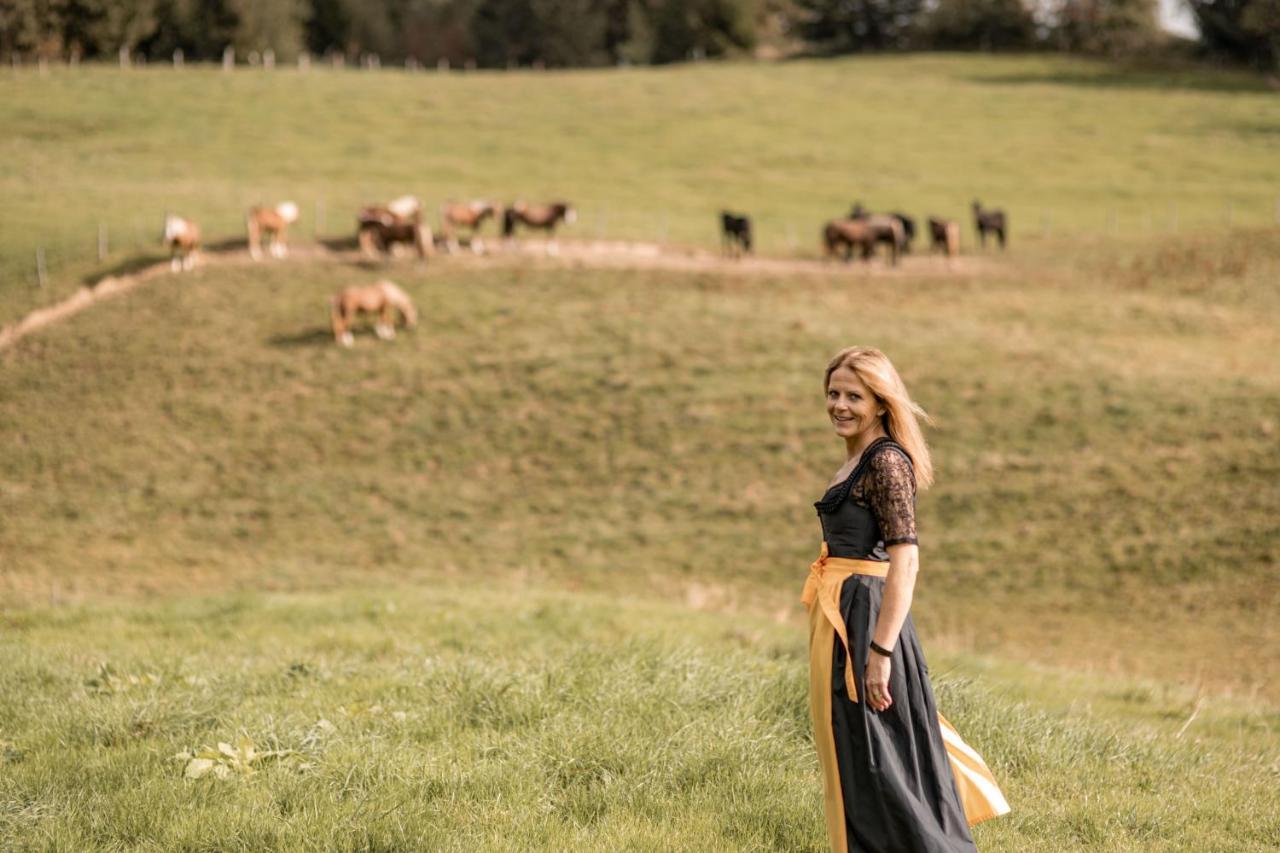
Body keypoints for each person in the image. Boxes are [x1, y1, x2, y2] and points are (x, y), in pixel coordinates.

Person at [803, 346, 1009, 853]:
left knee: (886, 761)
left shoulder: (887, 462)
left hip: (870, 622)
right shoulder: (856, 458)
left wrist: (880, 653)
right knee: (860, 755)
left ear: (880, 401)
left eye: (855, 395)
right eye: (834, 393)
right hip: (843, 618)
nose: (840, 405)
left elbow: (907, 562)